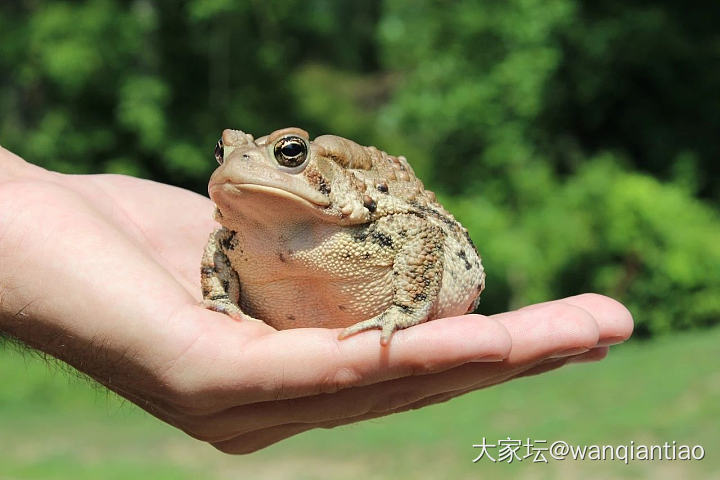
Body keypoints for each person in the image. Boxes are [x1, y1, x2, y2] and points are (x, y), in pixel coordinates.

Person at [0, 146, 633, 454]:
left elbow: (419, 233)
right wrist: (218, 301)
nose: (243, 163)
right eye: (226, 154)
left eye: (287, 155)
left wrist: (405, 308)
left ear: (323, 174)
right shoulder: (230, 235)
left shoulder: (370, 217)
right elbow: (216, 260)